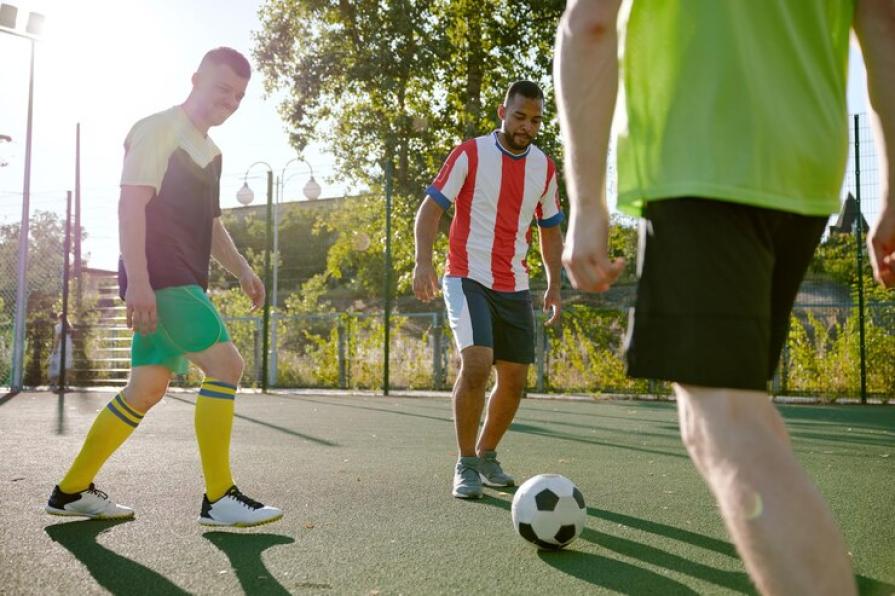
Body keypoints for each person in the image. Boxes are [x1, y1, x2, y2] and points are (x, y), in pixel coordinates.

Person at [554, 1, 893, 594]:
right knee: (737, 413)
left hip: (699, 160)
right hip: (808, 171)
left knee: (724, 423)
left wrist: (586, 204)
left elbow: (589, 23)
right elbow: (883, 21)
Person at [45, 47, 282, 527]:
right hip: (162, 279)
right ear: (194, 79)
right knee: (226, 365)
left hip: (178, 279)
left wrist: (241, 269)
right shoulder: (157, 129)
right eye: (222, 89)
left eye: (239, 96)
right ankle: (219, 498)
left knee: (146, 389)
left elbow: (211, 225)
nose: (230, 101)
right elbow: (130, 207)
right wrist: (139, 283)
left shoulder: (210, 152)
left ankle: (71, 491)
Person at [413, 81, 565, 499]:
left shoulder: (545, 168)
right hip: (466, 276)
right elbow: (430, 209)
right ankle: (465, 463)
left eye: (535, 120)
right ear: (503, 112)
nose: (527, 127)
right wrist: (422, 260)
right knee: (478, 365)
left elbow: (550, 230)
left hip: (514, 284)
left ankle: (487, 454)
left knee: (514, 381)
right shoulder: (470, 152)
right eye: (519, 117)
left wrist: (553, 285)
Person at [48, 312, 74, 390]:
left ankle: (55, 384)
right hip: (68, 347)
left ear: (59, 318)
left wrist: (54, 349)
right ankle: (66, 384)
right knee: (67, 366)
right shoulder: (69, 327)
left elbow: (57, 338)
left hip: (61, 347)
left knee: (56, 364)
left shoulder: (58, 327)